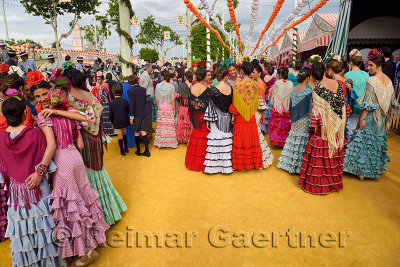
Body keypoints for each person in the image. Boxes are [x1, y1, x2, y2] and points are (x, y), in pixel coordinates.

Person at [33, 79, 109, 266]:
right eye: (38, 96)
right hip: (76, 158)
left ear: (50, 94)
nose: (42, 98)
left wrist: (41, 169)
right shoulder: (67, 112)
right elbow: (82, 137)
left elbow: (51, 145)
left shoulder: (43, 116)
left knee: (70, 207)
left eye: (44, 94)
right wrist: (60, 111)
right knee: (83, 199)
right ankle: (95, 239)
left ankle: (84, 252)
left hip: (61, 161)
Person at [0, 97, 67, 267]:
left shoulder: (0, 139)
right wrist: (39, 173)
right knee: (44, 224)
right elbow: (46, 155)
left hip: (16, 192)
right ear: (24, 113)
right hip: (38, 187)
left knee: (23, 227)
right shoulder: (35, 134)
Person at [65, 68, 127, 225]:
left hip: (80, 140)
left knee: (86, 177)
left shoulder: (69, 98)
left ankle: (97, 218)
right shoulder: (90, 95)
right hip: (94, 139)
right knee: (97, 174)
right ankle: (108, 212)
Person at [344, 49, 399, 179]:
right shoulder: (389, 81)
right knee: (375, 142)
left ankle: (361, 172)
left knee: (363, 142)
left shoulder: (372, 81)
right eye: (368, 65)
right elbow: (392, 102)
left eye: (371, 65)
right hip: (382, 117)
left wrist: (362, 119)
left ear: (379, 66)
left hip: (371, 117)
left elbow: (368, 104)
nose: (368, 68)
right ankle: (372, 170)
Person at [298, 62, 351, 194]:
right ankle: (333, 184)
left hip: (324, 129)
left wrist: (312, 129)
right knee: (334, 154)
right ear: (326, 71)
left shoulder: (317, 90)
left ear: (312, 76)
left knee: (322, 155)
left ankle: (320, 186)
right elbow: (343, 105)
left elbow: (316, 114)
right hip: (338, 125)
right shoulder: (339, 84)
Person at [277, 67, 312, 173]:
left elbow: (291, 106)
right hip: (304, 119)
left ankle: (288, 163)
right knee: (301, 142)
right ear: (308, 78)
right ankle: (299, 166)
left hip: (295, 119)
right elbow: (310, 109)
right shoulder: (308, 91)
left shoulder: (294, 89)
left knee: (293, 139)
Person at [229, 62, 263, 170]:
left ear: (242, 71)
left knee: (241, 140)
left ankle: (241, 164)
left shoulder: (238, 85)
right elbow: (256, 101)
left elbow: (235, 103)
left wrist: (233, 116)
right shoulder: (254, 84)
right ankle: (252, 163)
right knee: (251, 139)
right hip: (250, 114)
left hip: (240, 116)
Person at [203, 67, 233, 174]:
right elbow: (232, 105)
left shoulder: (214, 90)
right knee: (226, 139)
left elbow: (210, 107)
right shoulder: (230, 89)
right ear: (226, 77)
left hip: (215, 118)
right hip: (227, 117)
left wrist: (207, 121)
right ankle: (226, 166)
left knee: (215, 140)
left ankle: (214, 167)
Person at [185, 65, 211, 172]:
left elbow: (190, 103)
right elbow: (209, 106)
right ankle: (203, 163)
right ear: (204, 76)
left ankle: (193, 162)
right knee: (204, 138)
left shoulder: (191, 88)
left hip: (195, 116)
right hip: (204, 117)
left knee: (195, 136)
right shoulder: (207, 89)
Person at [344, 49, 370, 140]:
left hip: (353, 104)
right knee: (360, 127)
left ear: (351, 62)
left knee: (350, 126)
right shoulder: (366, 74)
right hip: (364, 104)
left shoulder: (348, 74)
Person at [253, 64, 274, 168]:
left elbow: (261, 101)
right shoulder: (256, 83)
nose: (252, 74)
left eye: (254, 72)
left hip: (258, 110)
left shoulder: (260, 84)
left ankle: (261, 157)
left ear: (259, 73)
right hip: (256, 109)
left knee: (256, 132)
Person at [268, 67, 293, 147]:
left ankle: (277, 142)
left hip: (278, 106)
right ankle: (284, 141)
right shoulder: (290, 84)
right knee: (285, 124)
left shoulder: (277, 83)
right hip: (286, 106)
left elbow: (271, 93)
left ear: (280, 74)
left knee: (277, 124)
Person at [154, 71, 178, 148]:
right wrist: (174, 110)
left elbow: (156, 98)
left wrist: (159, 106)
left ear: (162, 77)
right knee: (169, 126)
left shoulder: (158, 86)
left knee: (161, 126)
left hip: (161, 106)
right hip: (169, 107)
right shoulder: (172, 87)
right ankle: (170, 143)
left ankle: (161, 142)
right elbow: (173, 100)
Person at [127, 74, 151, 157]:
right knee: (143, 131)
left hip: (136, 114)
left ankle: (138, 150)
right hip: (143, 112)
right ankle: (147, 151)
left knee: (136, 132)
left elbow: (132, 104)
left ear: (129, 82)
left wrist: (131, 117)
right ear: (137, 80)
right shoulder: (143, 89)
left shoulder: (130, 91)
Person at [109, 84, 130, 156]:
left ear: (113, 92)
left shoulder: (111, 103)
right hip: (124, 120)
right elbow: (128, 111)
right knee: (124, 134)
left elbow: (110, 114)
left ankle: (122, 150)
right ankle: (126, 147)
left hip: (116, 121)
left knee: (119, 136)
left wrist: (111, 122)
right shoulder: (125, 101)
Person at [176, 71, 193, 144]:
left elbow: (178, 96)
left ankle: (181, 138)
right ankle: (189, 138)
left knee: (182, 121)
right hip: (191, 106)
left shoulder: (181, 85)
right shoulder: (193, 86)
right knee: (189, 122)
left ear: (185, 77)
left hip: (183, 106)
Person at [139, 64, 154, 140]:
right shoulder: (146, 76)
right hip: (147, 98)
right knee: (148, 117)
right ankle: (147, 134)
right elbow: (144, 88)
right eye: (151, 68)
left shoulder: (143, 75)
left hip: (146, 98)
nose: (152, 69)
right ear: (147, 68)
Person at [261, 64, 277, 132]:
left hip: (263, 95)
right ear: (273, 71)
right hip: (270, 96)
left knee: (263, 110)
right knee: (269, 111)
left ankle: (262, 127)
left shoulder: (263, 78)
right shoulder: (273, 79)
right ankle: (267, 128)